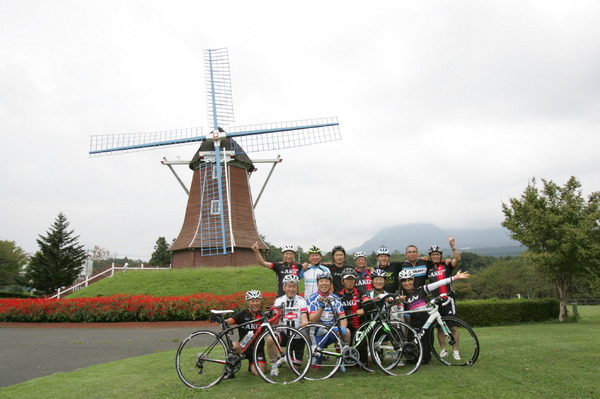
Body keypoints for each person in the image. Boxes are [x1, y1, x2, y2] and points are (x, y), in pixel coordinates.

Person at [399, 268, 470, 364]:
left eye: (409, 280)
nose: (407, 283)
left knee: (425, 360)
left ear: (413, 280)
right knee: (412, 359)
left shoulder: (421, 289)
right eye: (404, 280)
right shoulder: (400, 296)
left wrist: (455, 277)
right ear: (401, 282)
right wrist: (398, 299)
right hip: (413, 324)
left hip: (425, 322)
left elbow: (439, 283)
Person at [426, 236, 463, 360]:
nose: (435, 256)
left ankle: (456, 351)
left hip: (448, 298)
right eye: (433, 254)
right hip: (436, 300)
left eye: (437, 254)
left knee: (453, 327)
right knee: (440, 328)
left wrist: (453, 246)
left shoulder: (446, 265)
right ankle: (443, 350)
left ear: (440, 255)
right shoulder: (429, 268)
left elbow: (458, 259)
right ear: (430, 256)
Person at [268, 274, 309, 377]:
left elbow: (304, 315)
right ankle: (274, 367)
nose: (291, 289)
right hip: (284, 334)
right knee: (270, 339)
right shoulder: (279, 301)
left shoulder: (302, 301)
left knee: (294, 369)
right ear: (284, 287)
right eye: (289, 286)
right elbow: (275, 320)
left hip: (297, 337)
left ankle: (285, 357)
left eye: (294, 286)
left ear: (297, 288)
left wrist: (304, 321)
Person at [307, 273, 350, 365]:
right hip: (317, 334)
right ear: (317, 284)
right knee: (315, 367)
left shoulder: (336, 298)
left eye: (327, 281)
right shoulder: (312, 298)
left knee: (346, 332)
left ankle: (342, 360)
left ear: (331, 284)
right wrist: (321, 308)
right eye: (321, 281)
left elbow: (342, 317)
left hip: (331, 331)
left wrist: (342, 331)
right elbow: (313, 319)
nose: (324, 283)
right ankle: (314, 354)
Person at [225, 290, 268, 377]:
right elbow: (230, 321)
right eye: (252, 301)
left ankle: (252, 364)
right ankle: (230, 369)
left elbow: (275, 323)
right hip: (243, 348)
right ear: (248, 302)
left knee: (259, 373)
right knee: (233, 346)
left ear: (260, 301)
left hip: (258, 350)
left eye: (257, 301)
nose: (255, 303)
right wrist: (223, 322)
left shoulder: (264, 315)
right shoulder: (242, 314)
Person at [337, 270, 370, 365]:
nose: (350, 282)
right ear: (343, 281)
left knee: (363, 361)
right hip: (346, 327)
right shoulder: (338, 295)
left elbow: (367, 301)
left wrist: (364, 309)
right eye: (347, 279)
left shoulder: (361, 292)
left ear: (355, 281)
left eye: (352, 279)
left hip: (359, 327)